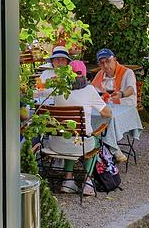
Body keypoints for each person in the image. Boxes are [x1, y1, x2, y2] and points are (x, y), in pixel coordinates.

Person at [47, 68, 112, 197]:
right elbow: (107, 113)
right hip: (80, 145)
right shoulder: (89, 90)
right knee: (93, 140)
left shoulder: (58, 90)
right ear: (84, 76)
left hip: (56, 145)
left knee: (73, 137)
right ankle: (87, 182)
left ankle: (68, 180)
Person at [92, 47, 137, 163]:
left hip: (125, 107)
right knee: (94, 116)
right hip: (107, 106)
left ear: (114, 59)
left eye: (108, 61)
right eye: (102, 63)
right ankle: (100, 148)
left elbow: (131, 89)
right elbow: (92, 90)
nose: (105, 65)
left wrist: (121, 94)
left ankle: (112, 149)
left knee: (110, 118)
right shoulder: (100, 74)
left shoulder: (127, 72)